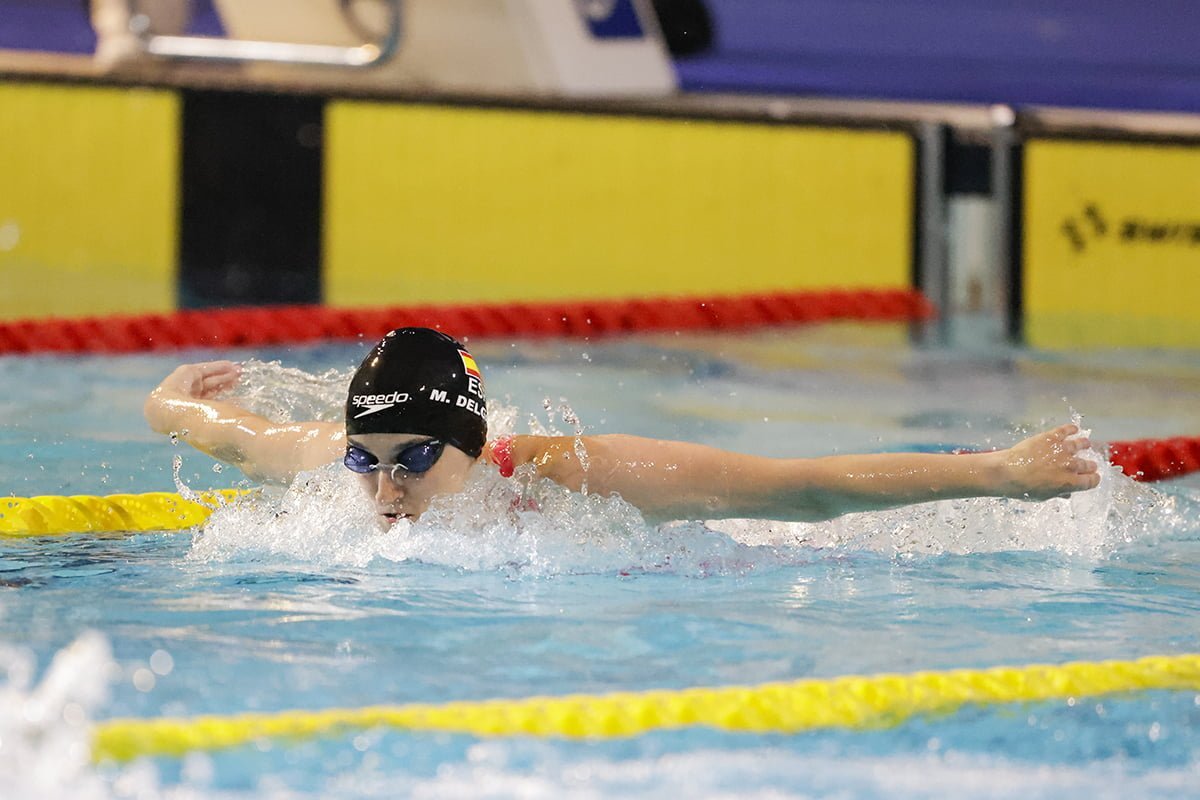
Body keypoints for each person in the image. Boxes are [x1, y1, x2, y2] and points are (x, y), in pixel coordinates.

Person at [144, 327, 1101, 528]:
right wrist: (172, 397)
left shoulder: (567, 475)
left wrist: (995, 473)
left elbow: (796, 487)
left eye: (418, 461)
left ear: (472, 447)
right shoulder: (330, 463)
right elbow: (213, 428)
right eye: (370, 460)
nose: (387, 492)